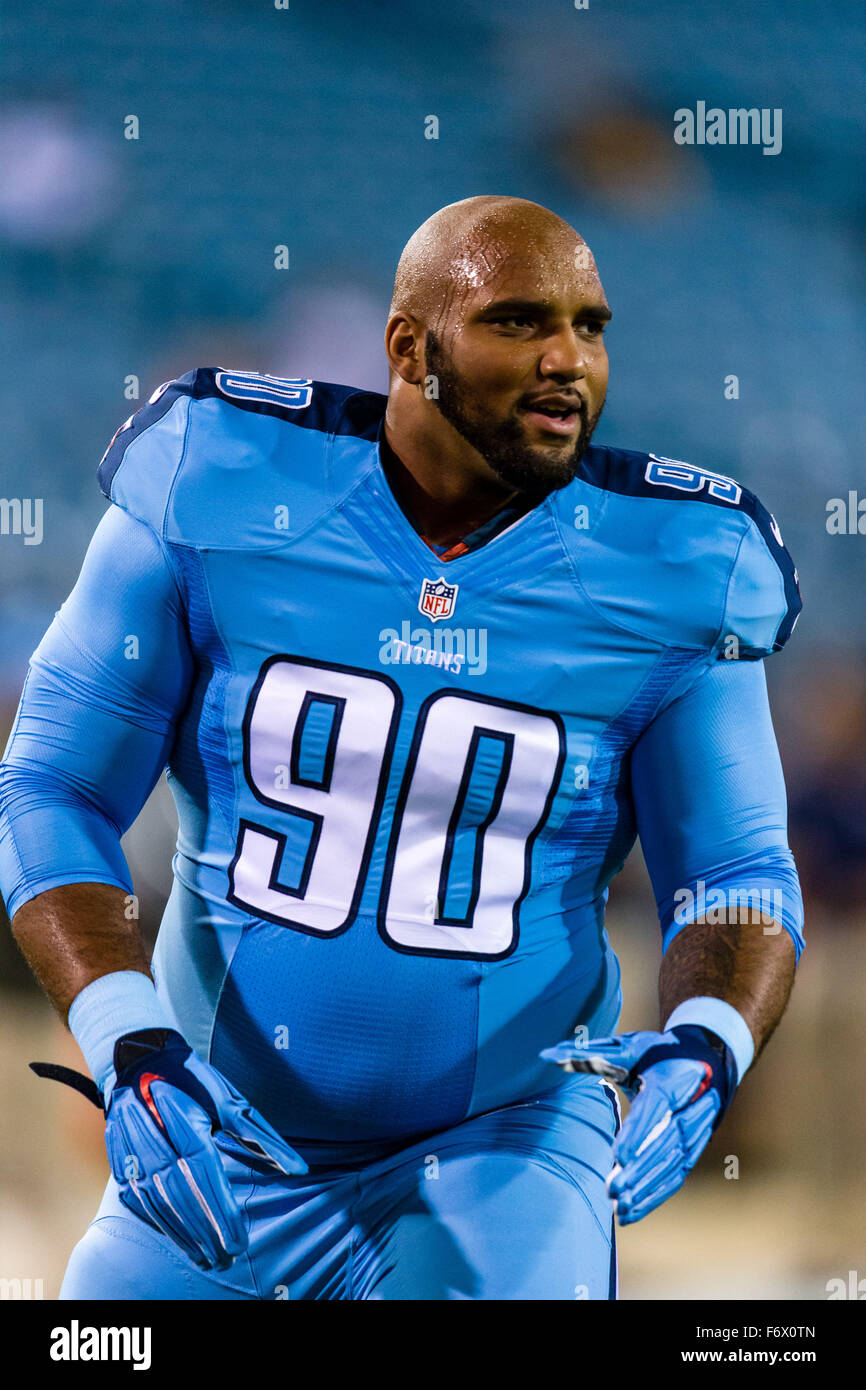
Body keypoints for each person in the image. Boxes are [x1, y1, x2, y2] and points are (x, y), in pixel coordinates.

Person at [0, 195, 804, 1300]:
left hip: (505, 1141)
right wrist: (127, 1036)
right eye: (519, 322)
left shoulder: (673, 562)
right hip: (223, 1133)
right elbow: (50, 784)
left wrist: (706, 1040)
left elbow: (734, 874)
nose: (567, 360)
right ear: (409, 348)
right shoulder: (217, 474)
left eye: (591, 326)